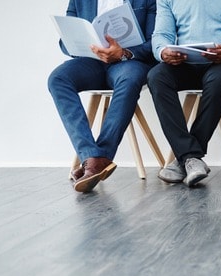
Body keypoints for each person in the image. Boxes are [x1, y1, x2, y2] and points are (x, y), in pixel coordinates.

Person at [148, 0, 221, 187]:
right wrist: (163, 51)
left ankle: (186, 157)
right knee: (156, 76)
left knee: (216, 81)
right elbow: (162, 35)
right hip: (185, 63)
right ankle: (191, 157)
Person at [48, 0, 157, 193]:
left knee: (129, 79)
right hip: (92, 61)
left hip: (128, 61)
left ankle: (98, 160)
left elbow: (155, 42)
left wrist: (123, 53)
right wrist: (85, 46)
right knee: (58, 79)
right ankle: (92, 156)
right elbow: (65, 42)